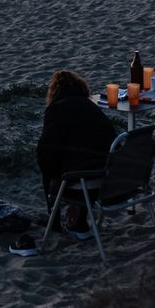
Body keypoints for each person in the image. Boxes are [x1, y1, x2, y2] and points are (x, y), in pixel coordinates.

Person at [35, 69, 118, 234]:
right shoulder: (92, 108)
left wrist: (55, 175)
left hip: (84, 181)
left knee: (49, 169)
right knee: (78, 161)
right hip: (110, 179)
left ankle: (55, 221)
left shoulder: (56, 110)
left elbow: (45, 154)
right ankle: (79, 220)